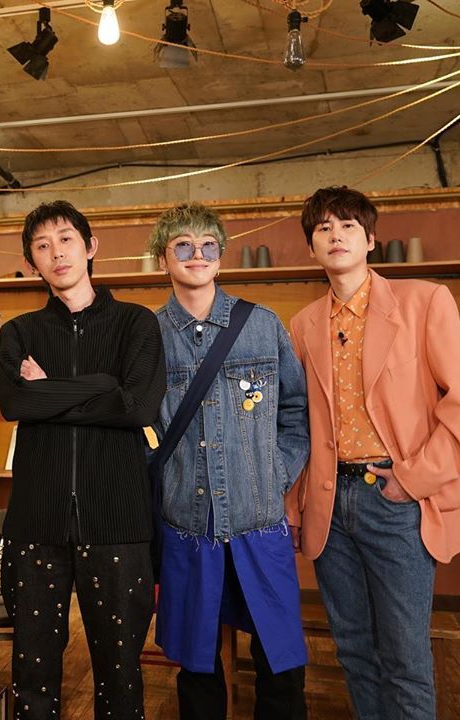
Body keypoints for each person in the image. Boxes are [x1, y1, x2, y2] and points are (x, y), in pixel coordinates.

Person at [287, 186, 460, 719]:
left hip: (395, 498)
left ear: (371, 240)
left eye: (348, 226)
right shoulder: (304, 324)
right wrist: (295, 507)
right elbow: (299, 423)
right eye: (323, 228)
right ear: (311, 247)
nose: (336, 236)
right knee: (354, 650)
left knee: (404, 657)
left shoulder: (424, 301)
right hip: (329, 505)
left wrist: (413, 479)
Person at [0, 200, 165, 720]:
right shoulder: (19, 332)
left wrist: (50, 392)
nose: (57, 253)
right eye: (42, 246)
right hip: (35, 521)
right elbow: (15, 403)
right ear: (32, 263)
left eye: (66, 239)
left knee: (120, 670)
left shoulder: (136, 323)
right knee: (33, 673)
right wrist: (102, 386)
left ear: (90, 247)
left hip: (117, 520)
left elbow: (138, 407)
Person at [149, 203, 310, 720]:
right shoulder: (147, 335)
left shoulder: (262, 325)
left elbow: (295, 411)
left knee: (280, 660)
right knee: (197, 665)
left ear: (220, 256)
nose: (196, 255)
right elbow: (136, 426)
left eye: (208, 245)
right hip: (186, 524)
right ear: (162, 258)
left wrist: (275, 473)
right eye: (183, 245)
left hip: (258, 521)